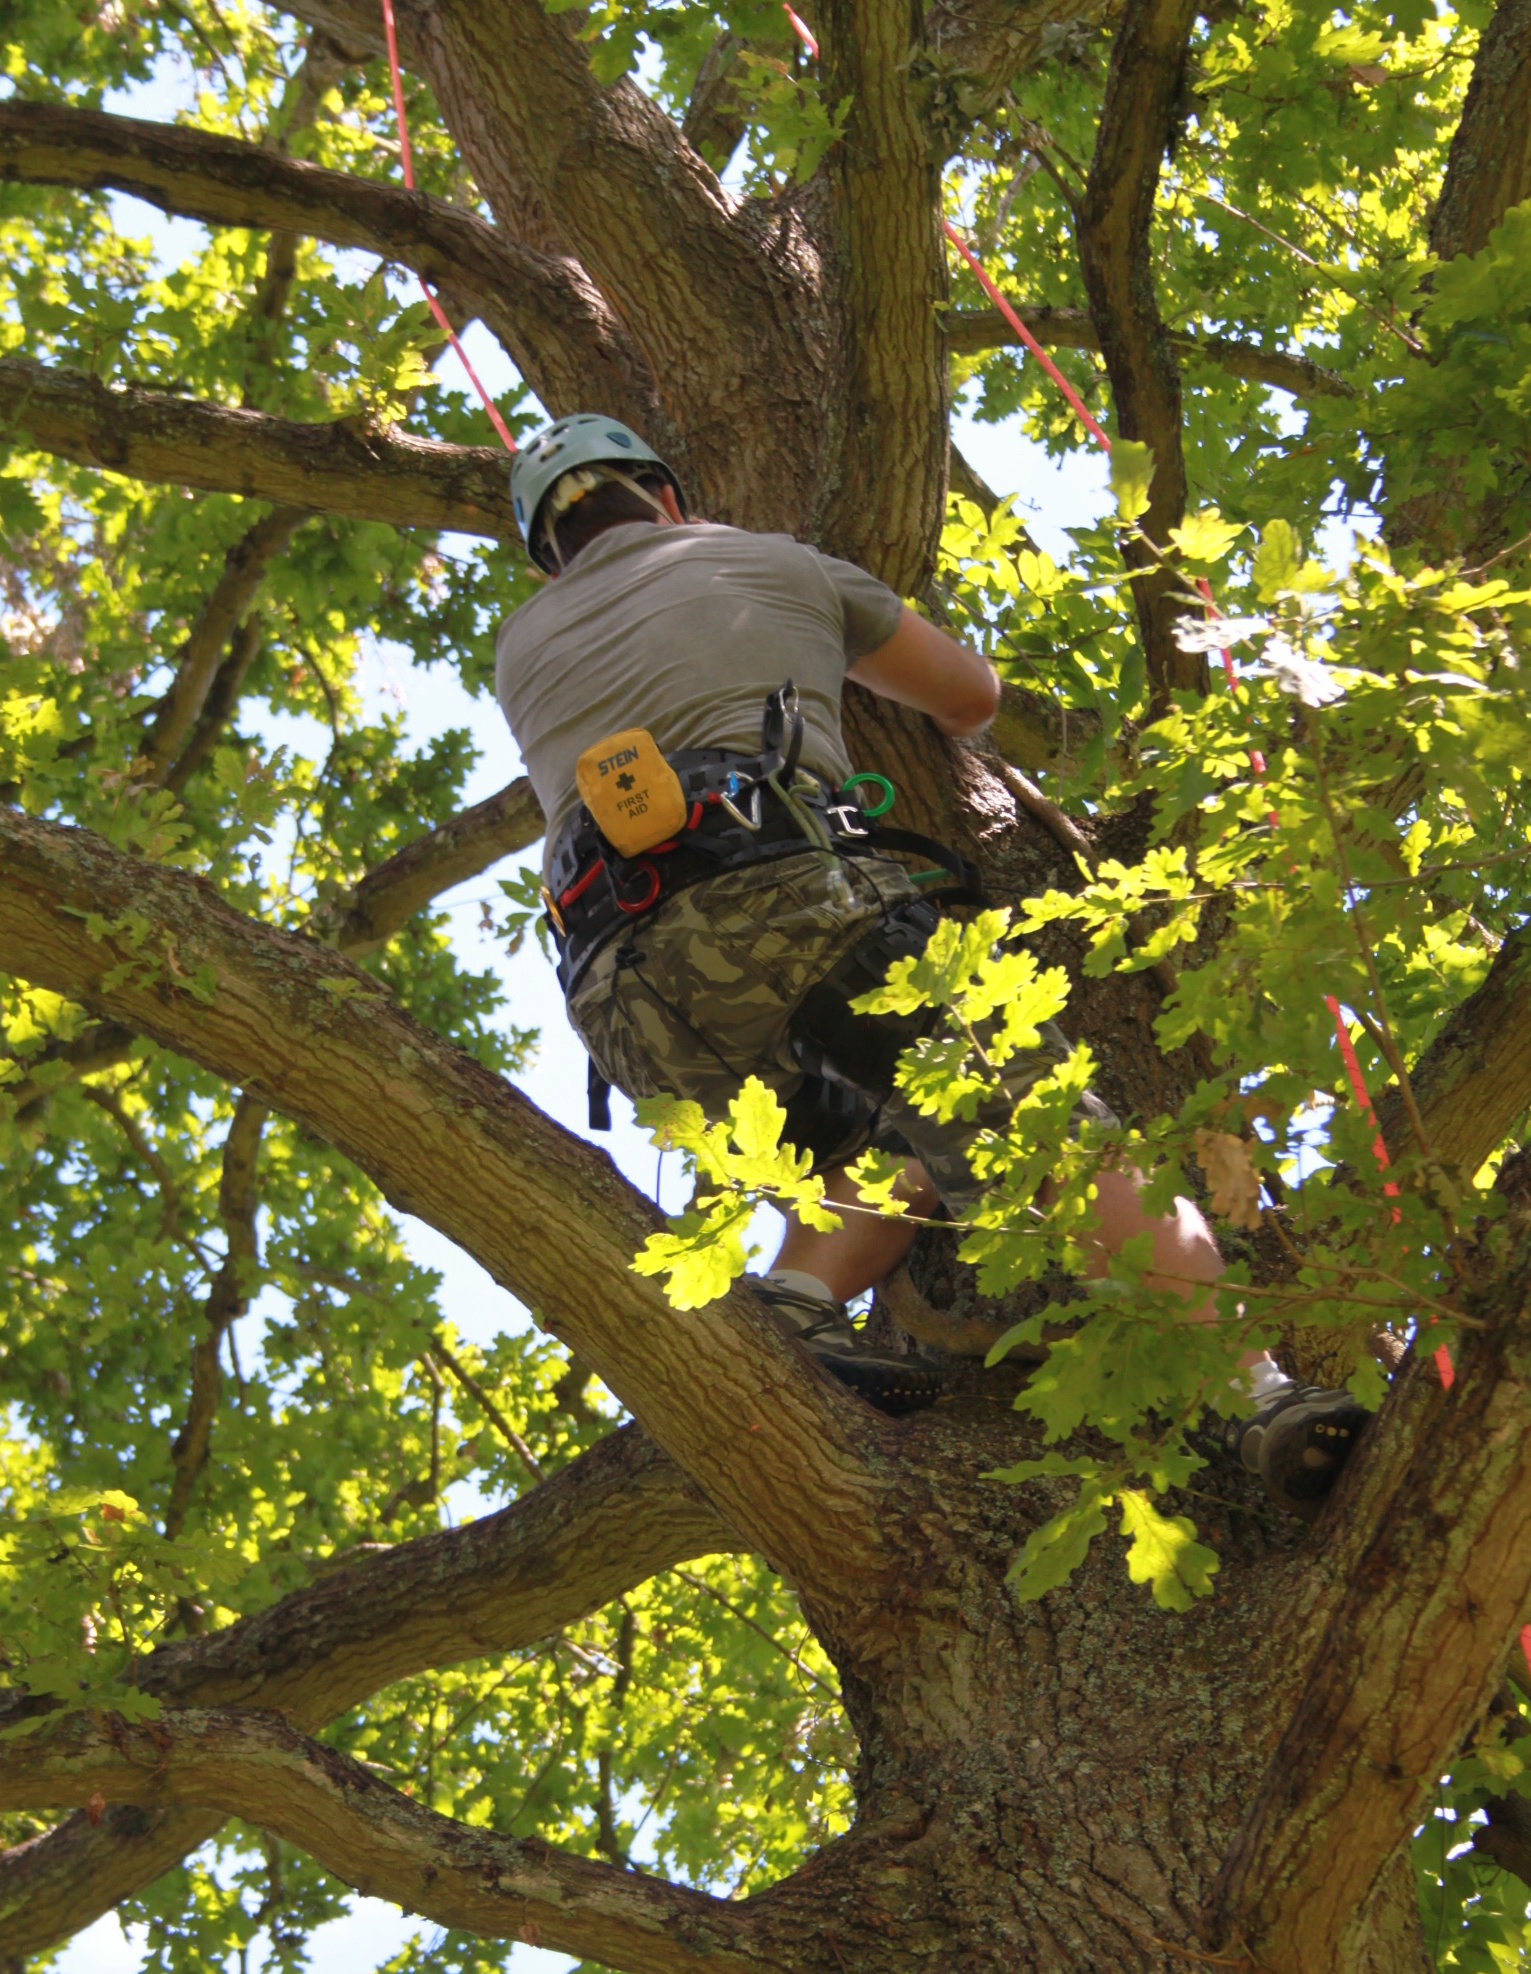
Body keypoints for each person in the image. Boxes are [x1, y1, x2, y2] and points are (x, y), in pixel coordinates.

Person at [495, 413, 1367, 1515]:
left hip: (623, 996)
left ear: (548, 548)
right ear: (663, 497)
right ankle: (1248, 1391)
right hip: (783, 899)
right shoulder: (764, 561)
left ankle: (796, 1304)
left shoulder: (519, 647)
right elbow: (965, 698)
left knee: (881, 1140)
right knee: (1055, 1135)